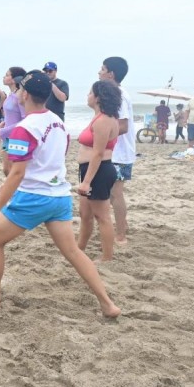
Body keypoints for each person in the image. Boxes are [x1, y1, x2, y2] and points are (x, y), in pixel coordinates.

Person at [0, 70, 120, 319]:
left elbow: (17, 174)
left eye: (21, 90)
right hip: (59, 196)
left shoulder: (25, 128)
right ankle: (107, 303)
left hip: (34, 197)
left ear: (26, 95)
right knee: (73, 252)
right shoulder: (57, 121)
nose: (19, 93)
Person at [75, 81, 122, 263]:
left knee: (101, 215)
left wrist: (87, 181)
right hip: (90, 169)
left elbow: (98, 153)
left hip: (99, 170)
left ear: (98, 97)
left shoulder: (104, 120)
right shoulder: (99, 117)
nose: (87, 96)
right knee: (85, 214)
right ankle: (79, 250)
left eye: (89, 92)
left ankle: (107, 257)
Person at [100, 57, 134, 246]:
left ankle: (121, 235)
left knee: (115, 193)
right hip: (114, 152)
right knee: (111, 193)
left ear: (111, 74)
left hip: (120, 153)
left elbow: (123, 126)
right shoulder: (113, 93)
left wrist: (101, 137)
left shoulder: (119, 95)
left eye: (102, 69)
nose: (99, 72)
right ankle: (123, 225)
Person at [0, 66, 27, 176]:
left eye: (7, 75)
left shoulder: (20, 96)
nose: (4, 77)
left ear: (14, 79)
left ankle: (16, 192)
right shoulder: (11, 94)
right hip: (7, 137)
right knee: (6, 169)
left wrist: (5, 130)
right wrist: (3, 123)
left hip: (16, 138)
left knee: (12, 171)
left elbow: (25, 120)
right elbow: (12, 115)